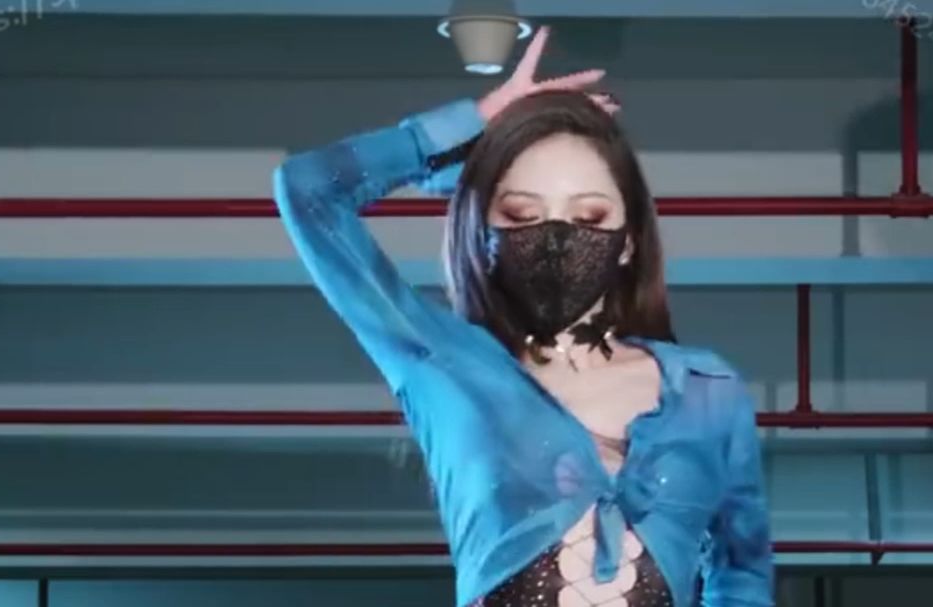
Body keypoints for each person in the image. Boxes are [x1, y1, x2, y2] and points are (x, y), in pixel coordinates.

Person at [272, 26, 773, 607]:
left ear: (629, 239)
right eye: (521, 214)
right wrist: (476, 121)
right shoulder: (443, 366)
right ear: (484, 231)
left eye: (589, 216)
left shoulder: (706, 391)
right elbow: (309, 190)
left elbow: (743, 574)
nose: (557, 237)